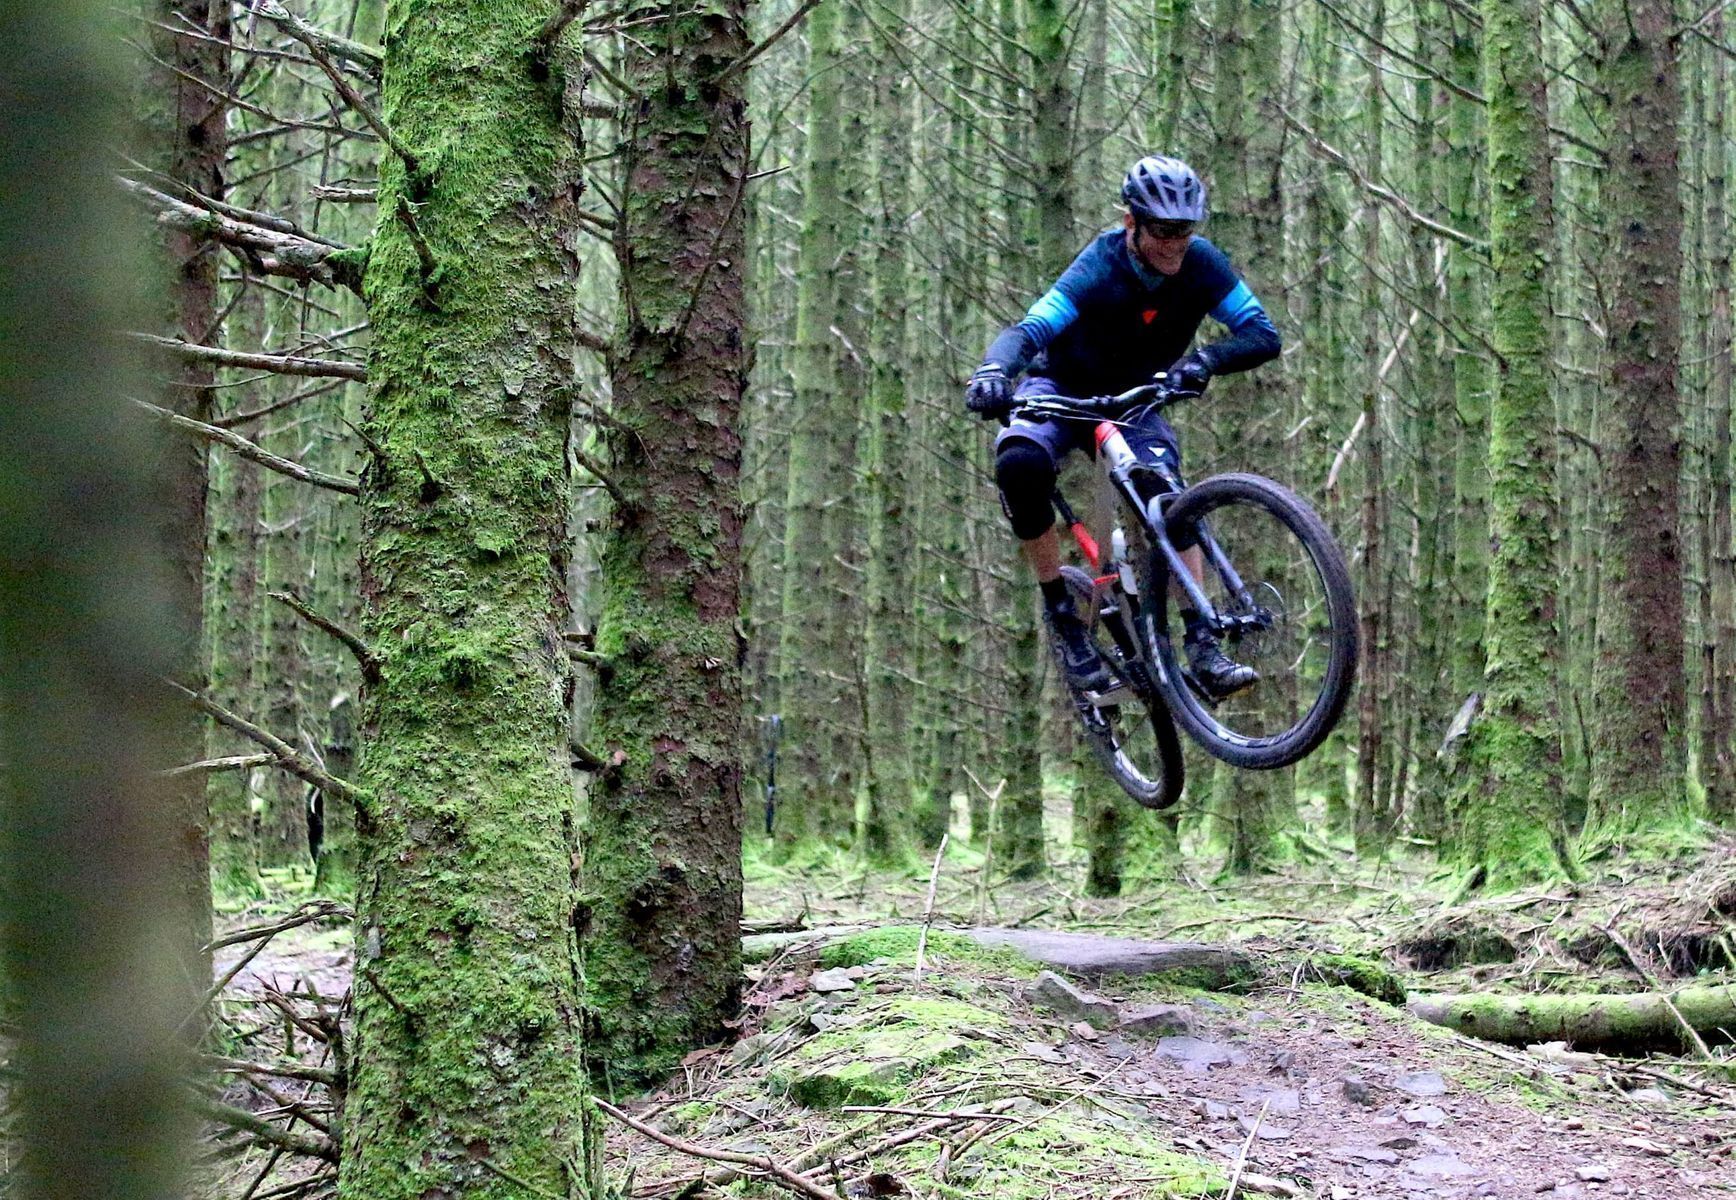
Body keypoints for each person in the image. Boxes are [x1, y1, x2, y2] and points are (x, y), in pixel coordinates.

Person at [965, 154, 1281, 698]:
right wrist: (996, 369)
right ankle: (1062, 612)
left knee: (1167, 500)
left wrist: (1204, 362)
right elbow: (1031, 329)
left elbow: (1261, 334)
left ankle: (1203, 642)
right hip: (1061, 389)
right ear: (1131, 223)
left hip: (1134, 401)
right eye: (1163, 230)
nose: (1176, 244)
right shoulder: (1098, 267)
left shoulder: (1202, 265)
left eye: (1186, 230)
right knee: (1020, 462)